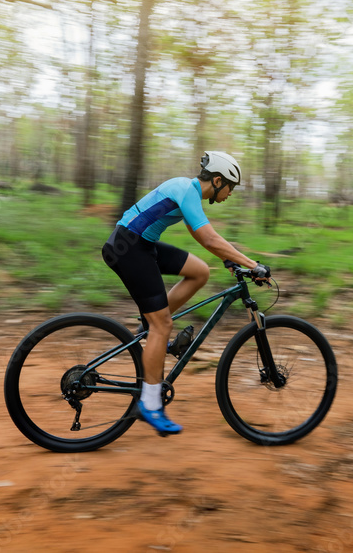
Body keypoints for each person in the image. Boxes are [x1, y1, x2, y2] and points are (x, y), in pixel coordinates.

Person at [101, 151, 270, 435]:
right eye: (231, 186)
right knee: (163, 325)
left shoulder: (188, 192)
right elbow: (208, 236)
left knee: (199, 272)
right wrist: (253, 265)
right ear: (217, 180)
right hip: (128, 248)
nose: (231, 193)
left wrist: (226, 258)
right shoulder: (186, 189)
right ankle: (150, 404)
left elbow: (197, 230)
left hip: (142, 245)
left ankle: (150, 327)